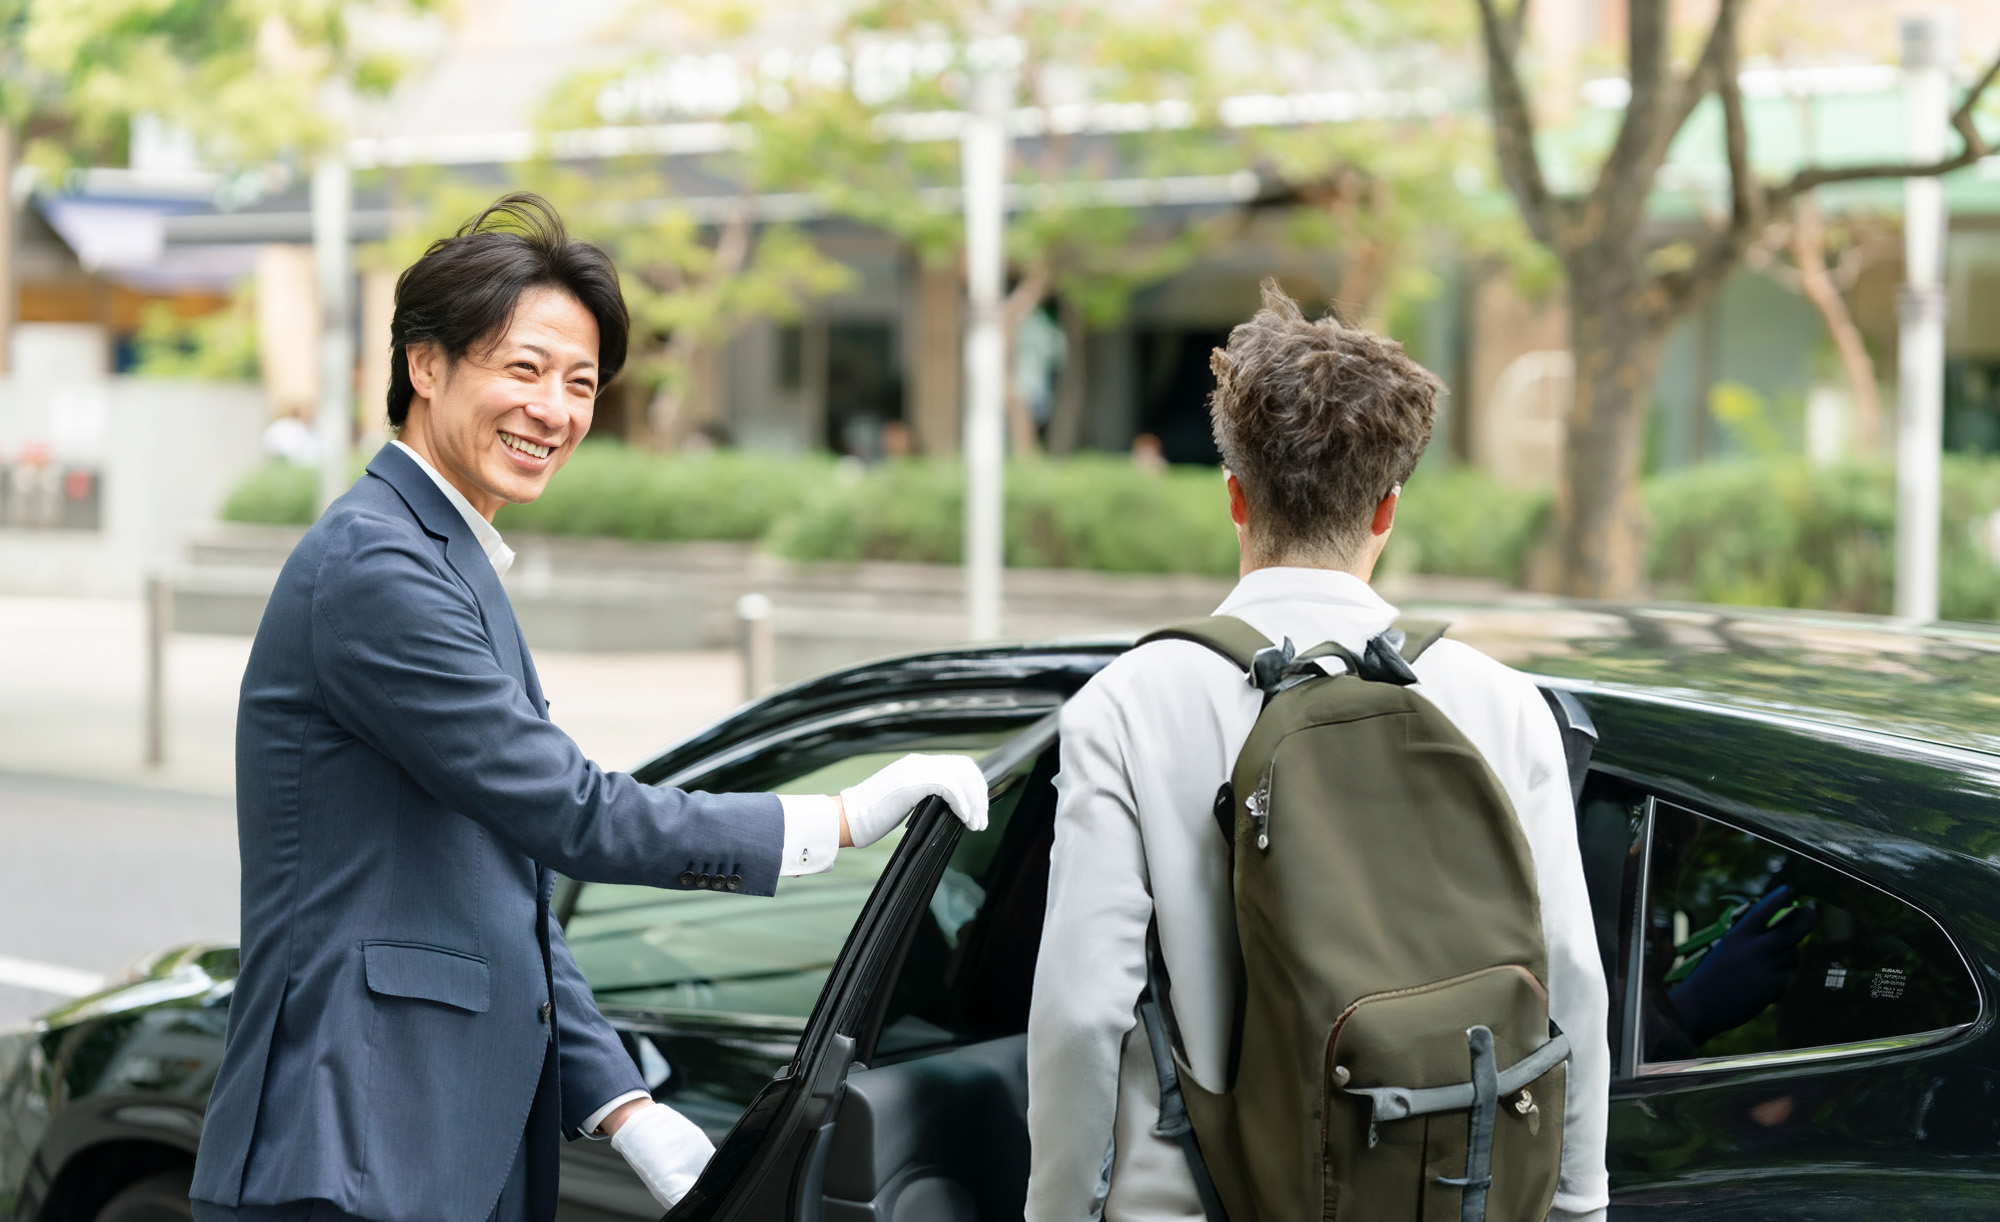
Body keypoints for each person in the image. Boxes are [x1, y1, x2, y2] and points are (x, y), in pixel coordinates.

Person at [188, 194, 989, 1222]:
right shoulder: (377, 563)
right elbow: (570, 812)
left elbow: (499, 878)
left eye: (579, 383)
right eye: (522, 369)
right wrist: (836, 818)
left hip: (413, 1150)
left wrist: (617, 1102)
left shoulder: (437, 556)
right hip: (349, 1149)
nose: (555, 410)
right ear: (425, 366)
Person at [1024, 282, 1609, 1222]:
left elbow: (1084, 1014)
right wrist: (1579, 1204)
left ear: (1233, 495)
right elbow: (1569, 975)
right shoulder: (1502, 704)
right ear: (1388, 510)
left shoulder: (1129, 706)